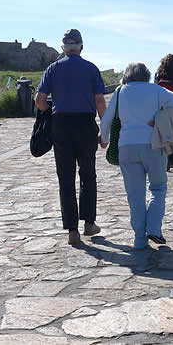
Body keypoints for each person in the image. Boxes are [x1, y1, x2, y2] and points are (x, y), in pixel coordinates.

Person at [99, 62, 173, 250]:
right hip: (153, 145)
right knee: (158, 188)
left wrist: (104, 138)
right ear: (146, 75)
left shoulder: (120, 92)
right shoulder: (155, 90)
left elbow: (106, 119)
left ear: (127, 76)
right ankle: (153, 228)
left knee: (135, 195)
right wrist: (160, 116)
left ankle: (139, 238)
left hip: (127, 147)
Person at [35, 29, 107, 246]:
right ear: (81, 47)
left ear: (63, 48)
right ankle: (89, 223)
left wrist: (50, 112)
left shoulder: (53, 69)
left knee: (65, 178)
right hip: (85, 124)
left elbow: (39, 100)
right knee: (88, 174)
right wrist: (104, 130)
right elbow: (100, 101)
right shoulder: (91, 69)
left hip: (61, 125)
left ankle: (72, 230)